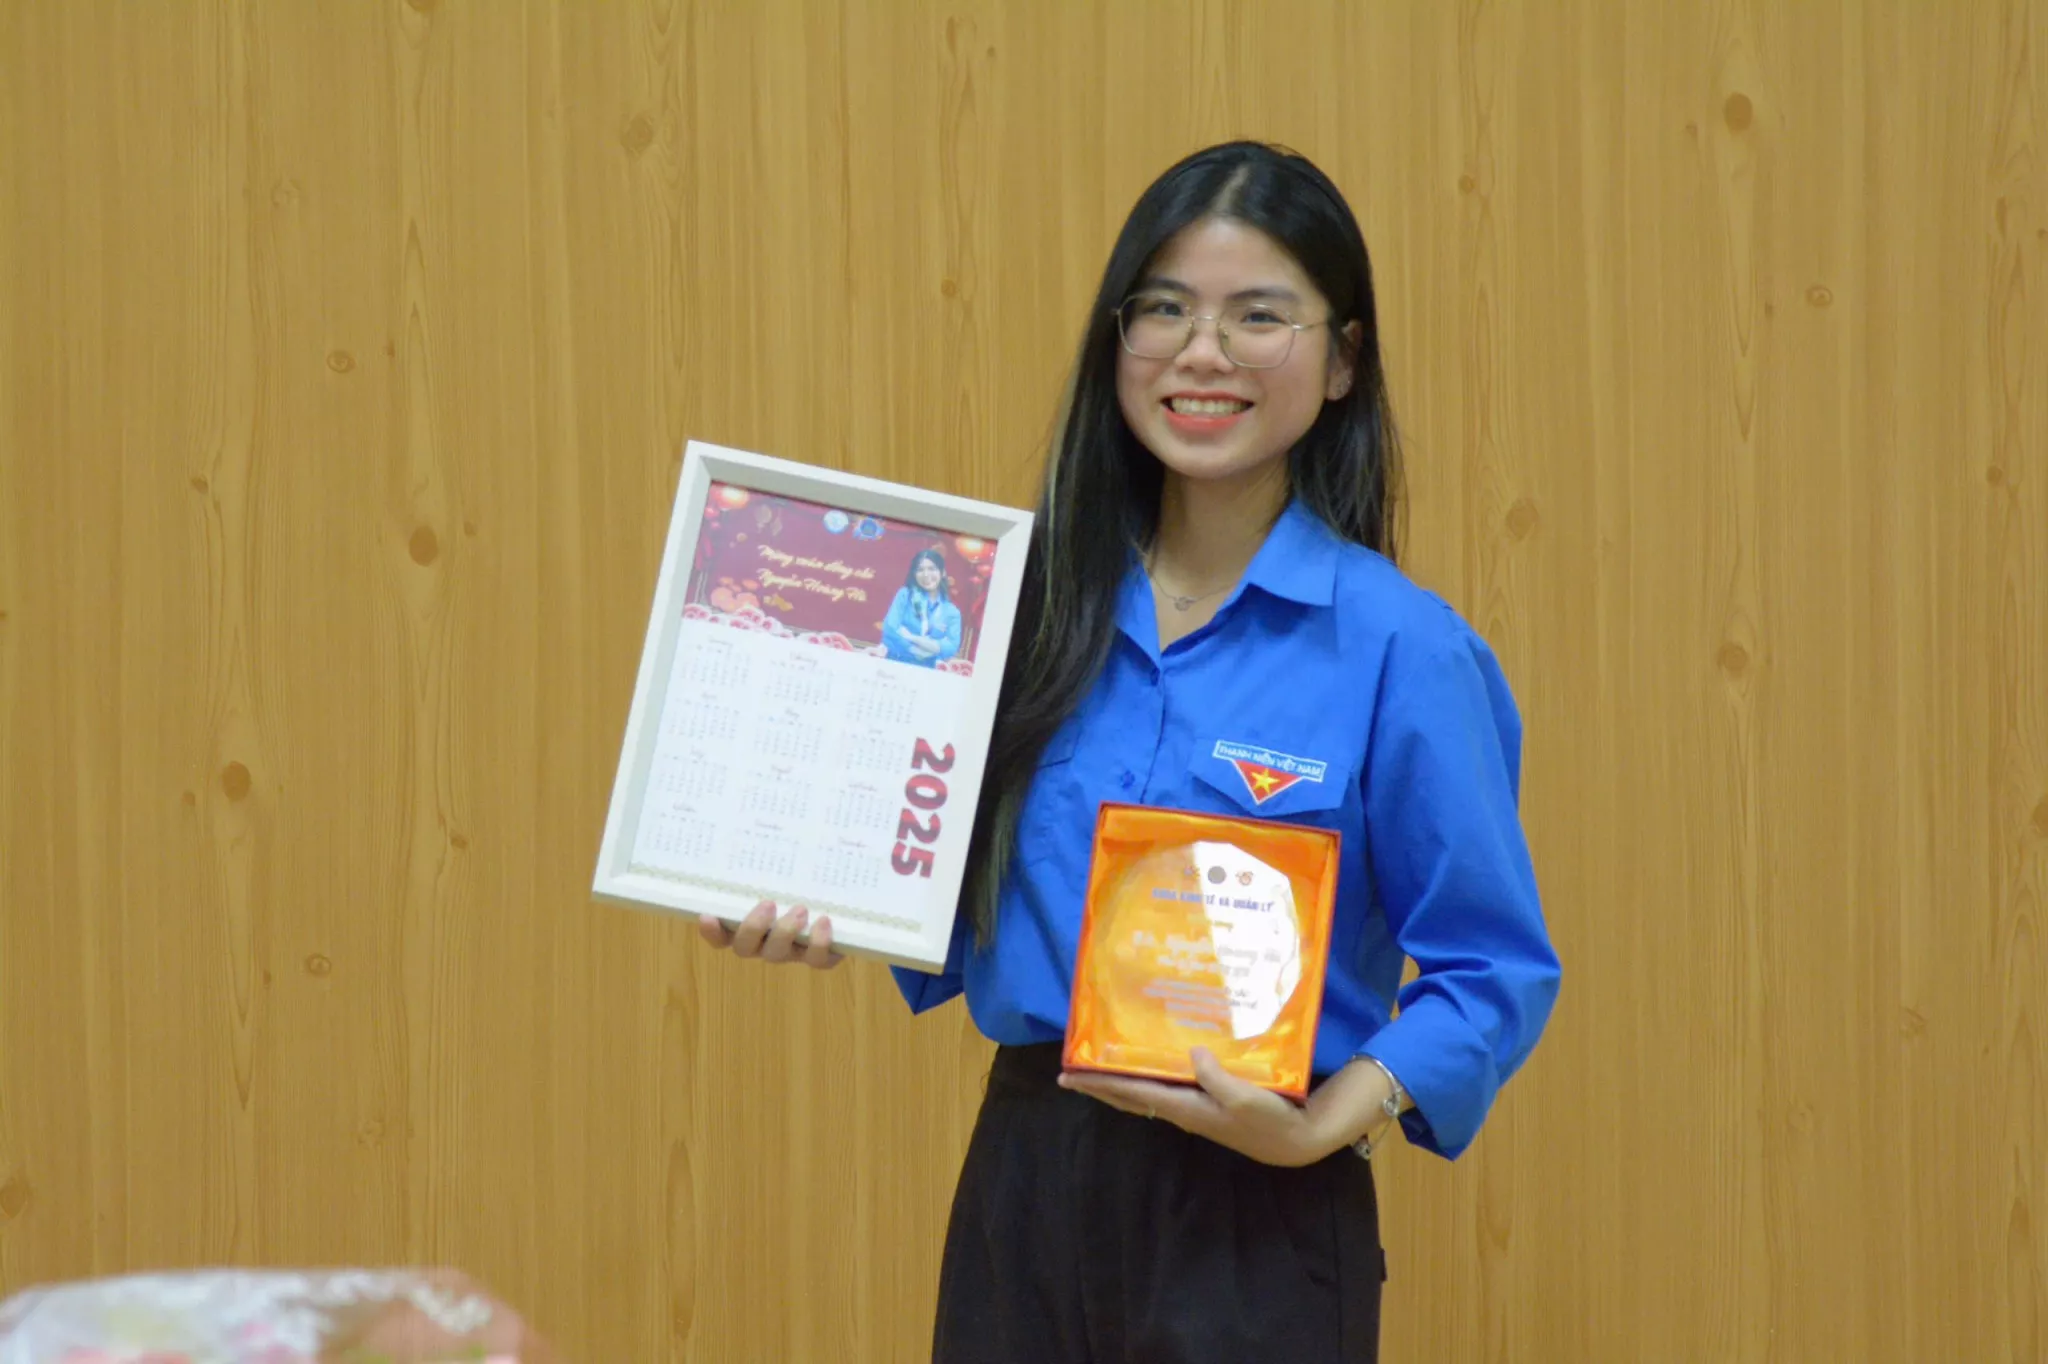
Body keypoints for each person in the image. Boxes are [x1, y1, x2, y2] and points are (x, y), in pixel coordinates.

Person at [699, 140, 1561, 1364]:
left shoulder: (1401, 647)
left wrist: (1321, 1125)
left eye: (1257, 315)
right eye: (1162, 310)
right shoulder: (1011, 610)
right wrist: (810, 890)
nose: (1200, 353)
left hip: (1255, 1210)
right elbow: (944, 886)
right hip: (1024, 1182)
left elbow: (1491, 967)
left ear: (1341, 360)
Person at [881, 546, 964, 666]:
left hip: (929, 668)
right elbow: (890, 628)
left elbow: (951, 647)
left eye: (932, 569)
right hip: (896, 662)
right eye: (920, 570)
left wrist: (912, 637)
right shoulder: (905, 595)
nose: (926, 575)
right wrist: (915, 650)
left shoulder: (952, 612)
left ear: (943, 573)